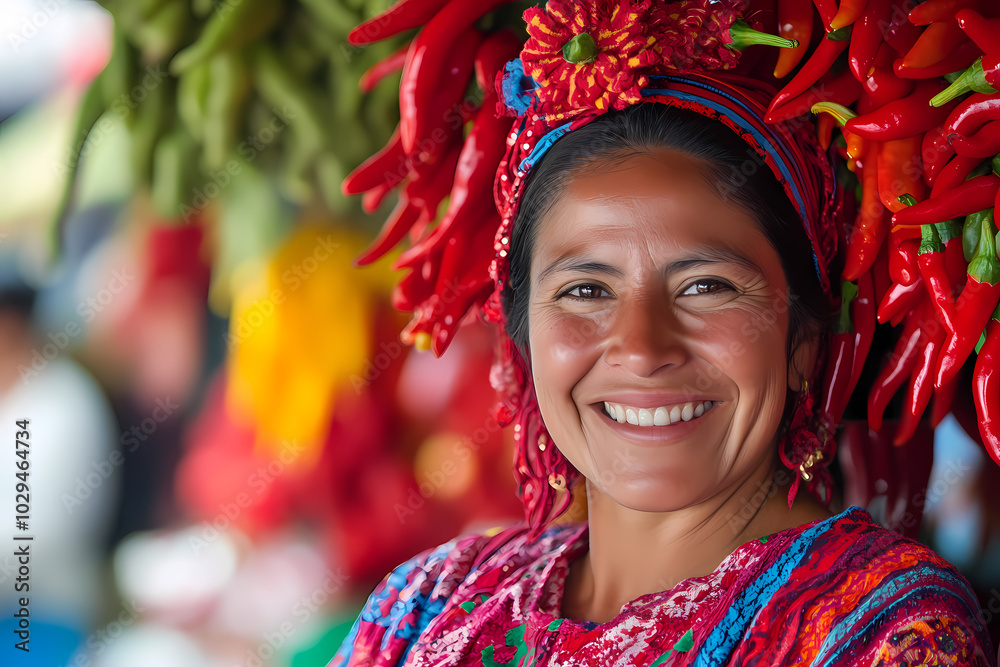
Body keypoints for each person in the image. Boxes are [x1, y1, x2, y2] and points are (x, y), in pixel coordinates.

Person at [331, 1, 998, 664]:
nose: (643, 349)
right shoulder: (427, 600)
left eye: (705, 287)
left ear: (802, 340)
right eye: (586, 291)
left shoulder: (885, 632)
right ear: (525, 336)